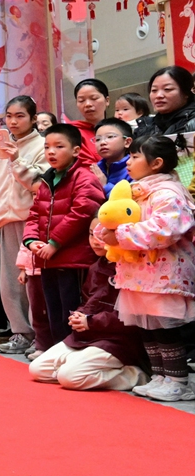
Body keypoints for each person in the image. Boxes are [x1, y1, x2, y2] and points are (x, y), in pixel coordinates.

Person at [93, 135, 195, 402]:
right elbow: (113, 217)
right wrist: (105, 232)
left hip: (164, 272)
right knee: (148, 326)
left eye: (136, 156)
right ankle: (160, 375)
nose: (129, 161)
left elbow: (165, 229)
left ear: (156, 163)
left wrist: (120, 234)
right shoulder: (134, 190)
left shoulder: (168, 193)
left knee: (165, 327)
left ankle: (178, 381)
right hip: (139, 273)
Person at [28, 231, 146, 391]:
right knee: (38, 369)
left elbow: (130, 316)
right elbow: (87, 300)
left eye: (102, 235)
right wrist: (79, 315)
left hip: (116, 338)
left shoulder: (134, 266)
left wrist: (91, 322)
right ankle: (80, 367)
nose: (96, 241)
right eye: (91, 235)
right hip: (87, 334)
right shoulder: (96, 266)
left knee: (69, 377)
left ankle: (135, 375)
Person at [23, 123, 105, 353]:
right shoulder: (47, 179)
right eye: (47, 146)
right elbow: (34, 214)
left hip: (74, 260)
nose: (51, 152)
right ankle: (57, 353)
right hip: (47, 259)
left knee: (73, 310)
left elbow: (82, 213)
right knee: (53, 311)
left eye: (59, 146)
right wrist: (31, 241)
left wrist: (54, 243)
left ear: (76, 150)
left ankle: (75, 354)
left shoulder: (84, 177)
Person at [0, 94, 47, 355]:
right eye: (9, 116)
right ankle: (20, 332)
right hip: (6, 222)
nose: (13, 121)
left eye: (20, 116)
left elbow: (39, 185)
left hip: (33, 221)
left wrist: (16, 159)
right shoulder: (0, 150)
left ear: (33, 118)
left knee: (33, 281)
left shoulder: (43, 145)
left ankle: (40, 335)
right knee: (10, 283)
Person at [133, 65, 195, 139]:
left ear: (186, 93)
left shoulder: (192, 122)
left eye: (167, 89)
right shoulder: (145, 125)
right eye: (154, 90)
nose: (158, 95)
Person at [72, 78, 109, 167]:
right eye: (81, 100)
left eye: (94, 98)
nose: (88, 104)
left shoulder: (120, 129)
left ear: (107, 101)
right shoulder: (72, 133)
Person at [92, 118, 133, 197]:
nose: (102, 142)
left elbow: (130, 201)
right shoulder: (97, 169)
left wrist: (105, 186)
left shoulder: (134, 169)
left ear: (127, 142)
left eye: (110, 137)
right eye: (98, 139)